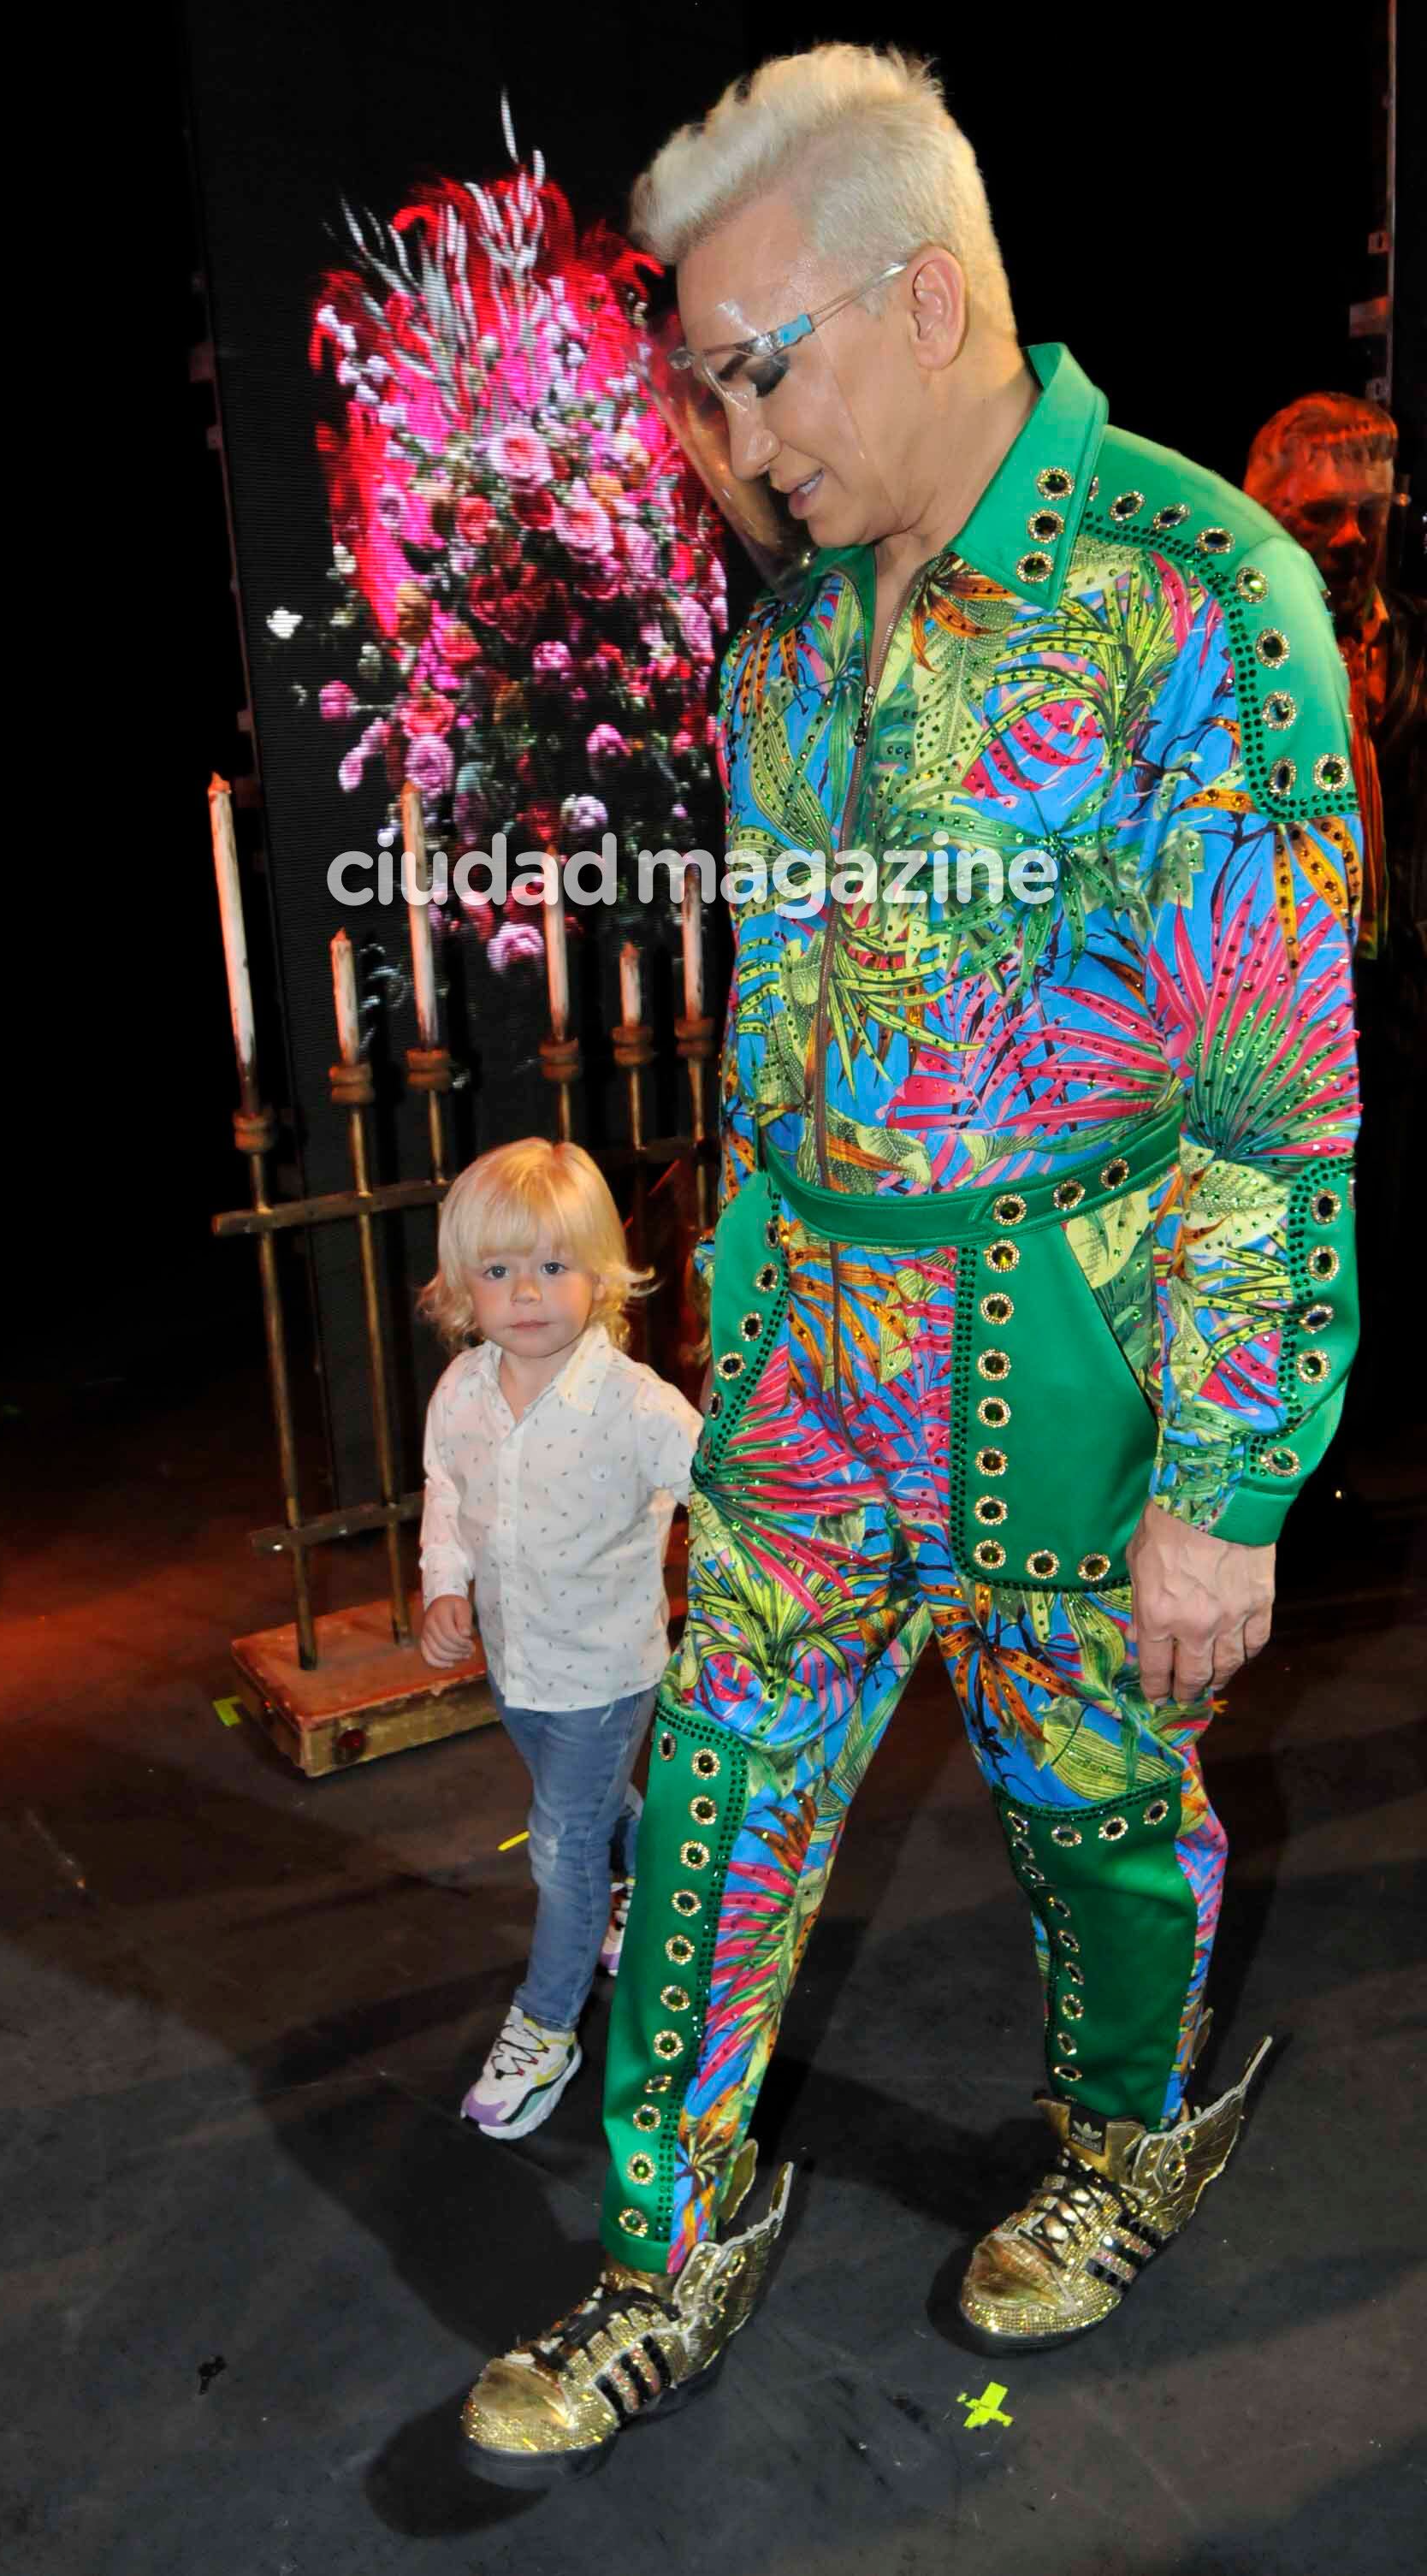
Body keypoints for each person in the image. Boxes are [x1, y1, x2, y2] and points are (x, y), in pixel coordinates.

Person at [461, 43, 1361, 2485]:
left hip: (1078, 1344)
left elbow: (1276, 1089)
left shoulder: (1199, 596)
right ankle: (669, 2243)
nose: (740, 439)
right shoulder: (791, 645)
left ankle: (1130, 2133)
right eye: (707, 387)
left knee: (1097, 1803)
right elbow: (786, 1011)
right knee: (724, 1795)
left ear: (932, 294)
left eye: (765, 368)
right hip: (811, 1363)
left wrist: (1233, 1478)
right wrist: (741, 1285)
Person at [417, 1138, 703, 2140]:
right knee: (583, 1807)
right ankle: (654, 1887)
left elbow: (721, 1485)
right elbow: (446, 1494)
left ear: (599, 1275)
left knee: (559, 1840)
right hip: (515, 1661)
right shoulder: (459, 1390)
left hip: (603, 1672)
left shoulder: (632, 1404)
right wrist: (442, 1585)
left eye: (550, 1266)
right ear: (464, 1287)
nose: (525, 1292)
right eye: (497, 1271)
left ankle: (546, 2023)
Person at [1245, 395, 1426, 1416]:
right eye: (1319, 515)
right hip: (1265, 1019)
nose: (1351, 538)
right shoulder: (1221, 660)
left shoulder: (1414, 651)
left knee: (1387, 1242)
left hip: (1394, 1005)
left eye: (1366, 511)